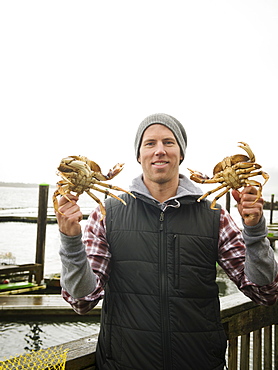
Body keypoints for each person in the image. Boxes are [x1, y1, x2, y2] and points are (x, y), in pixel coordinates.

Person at [56, 113, 278, 370]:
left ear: (181, 154)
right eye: (150, 143)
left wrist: (254, 231)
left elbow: (265, 292)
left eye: (169, 142)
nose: (159, 150)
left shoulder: (214, 215)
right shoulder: (108, 214)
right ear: (138, 155)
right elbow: (82, 301)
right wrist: (71, 242)